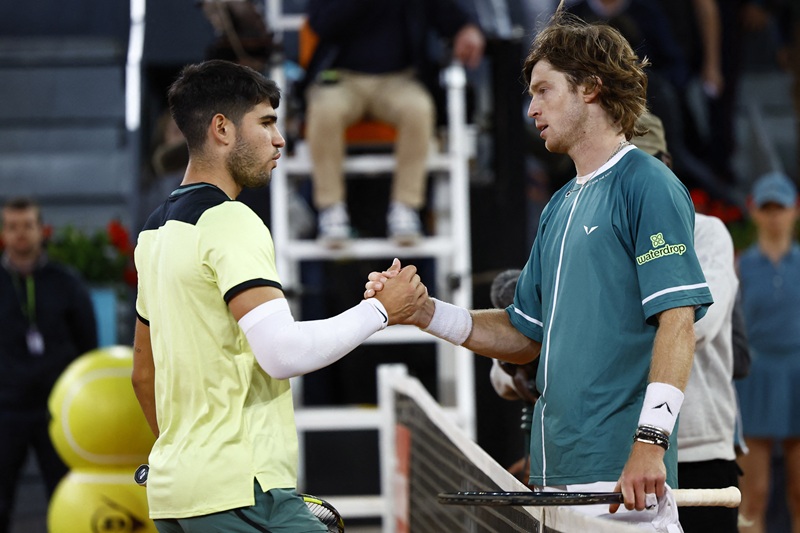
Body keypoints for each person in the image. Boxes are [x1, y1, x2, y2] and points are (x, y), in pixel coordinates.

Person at [367, 12, 713, 531]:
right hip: (557, 478)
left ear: (591, 88)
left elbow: (678, 322)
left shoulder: (648, 184)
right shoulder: (558, 206)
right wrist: (424, 312)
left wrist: (650, 446)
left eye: (544, 91)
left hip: (622, 480)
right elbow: (524, 334)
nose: (530, 108)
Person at [130, 59, 426, 533]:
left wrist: (189, 467)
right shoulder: (231, 220)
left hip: (177, 497)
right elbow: (282, 353)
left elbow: (143, 376)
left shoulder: (153, 233)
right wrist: (381, 310)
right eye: (266, 123)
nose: (280, 139)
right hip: (244, 494)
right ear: (222, 129)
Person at [302, 0, 485, 247]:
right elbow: (321, 24)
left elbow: (444, 10)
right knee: (324, 110)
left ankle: (406, 208)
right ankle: (330, 209)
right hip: (341, 77)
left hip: (399, 78)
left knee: (418, 109)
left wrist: (466, 27)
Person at [0, 197, 98, 533]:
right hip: (6, 409)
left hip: (57, 410)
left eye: (27, 225)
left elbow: (88, 342)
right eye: (12, 227)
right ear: (3, 233)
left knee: (66, 494)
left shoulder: (66, 282)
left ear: (41, 230)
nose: (20, 234)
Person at [735, 171, 800, 533]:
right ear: (754, 211)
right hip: (756, 381)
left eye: (781, 207)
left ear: (794, 210)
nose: (774, 216)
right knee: (753, 494)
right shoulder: (740, 266)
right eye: (767, 208)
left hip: (798, 375)